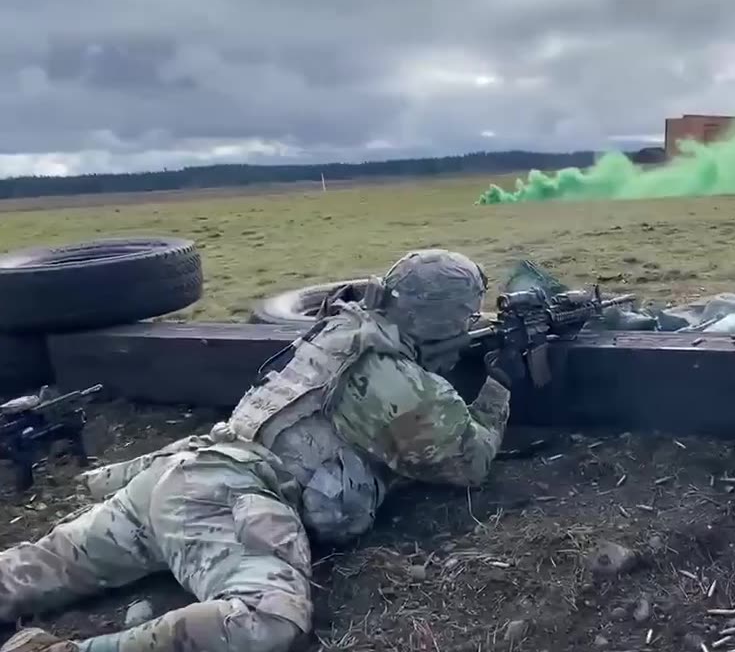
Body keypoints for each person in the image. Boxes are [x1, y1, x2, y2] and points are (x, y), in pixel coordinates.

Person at [0, 249, 514, 652]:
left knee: (28, 570)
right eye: (465, 318)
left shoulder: (341, 329)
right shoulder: (404, 388)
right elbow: (468, 464)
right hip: (228, 501)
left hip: (178, 474)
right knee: (268, 622)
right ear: (447, 321)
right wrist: (499, 387)